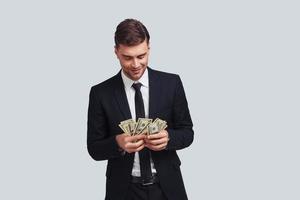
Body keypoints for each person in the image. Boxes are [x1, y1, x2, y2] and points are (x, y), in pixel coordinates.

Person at [87, 18, 194, 200]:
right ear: (116, 52)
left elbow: (187, 132)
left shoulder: (172, 83)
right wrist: (118, 143)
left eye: (141, 56)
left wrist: (169, 138)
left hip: (167, 186)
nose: (136, 65)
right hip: (123, 190)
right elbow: (94, 148)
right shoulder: (100, 93)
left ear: (149, 48)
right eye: (127, 57)